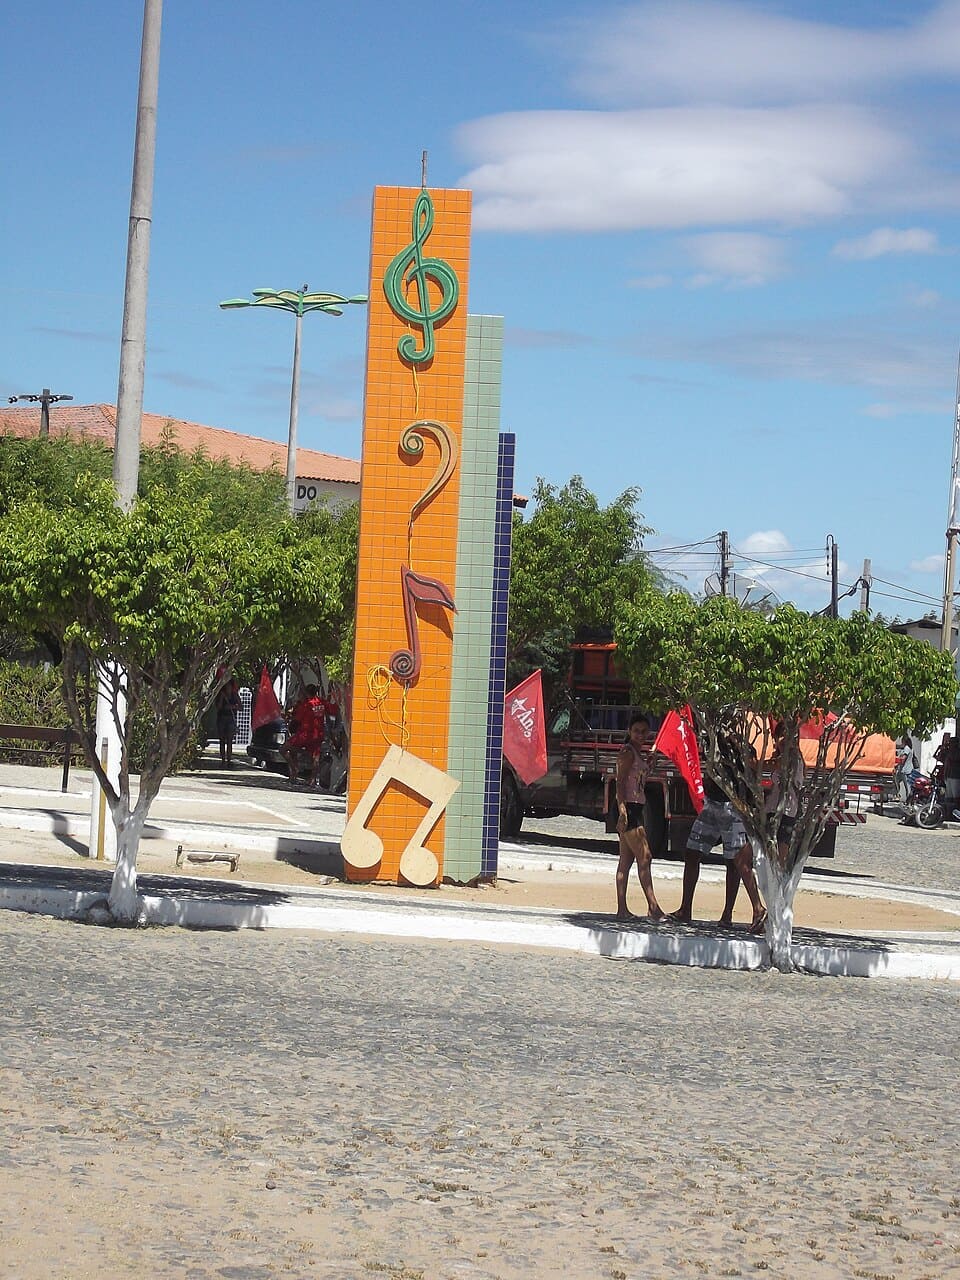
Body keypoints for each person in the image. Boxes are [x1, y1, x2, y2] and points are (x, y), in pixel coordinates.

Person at [667, 742, 766, 934]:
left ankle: (744, 910)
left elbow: (751, 772)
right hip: (713, 803)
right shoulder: (714, 740)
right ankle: (686, 908)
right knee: (692, 852)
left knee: (737, 861)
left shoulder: (738, 744)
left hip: (732, 805)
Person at [614, 715, 665, 922]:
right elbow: (620, 782)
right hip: (630, 809)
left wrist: (649, 762)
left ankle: (622, 909)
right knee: (645, 857)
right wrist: (622, 810)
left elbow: (638, 778)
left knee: (625, 861)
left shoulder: (637, 753)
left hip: (635, 806)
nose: (640, 735)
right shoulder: (627, 752)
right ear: (629, 731)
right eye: (636, 731)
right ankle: (653, 907)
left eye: (644, 731)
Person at [766, 722, 805, 864]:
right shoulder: (783, 756)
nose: (782, 740)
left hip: (785, 809)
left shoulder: (791, 758)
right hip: (776, 807)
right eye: (780, 736)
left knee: (780, 851)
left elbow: (768, 765)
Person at [281, 684, 325, 785]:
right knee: (316, 757)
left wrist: (287, 717)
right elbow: (333, 709)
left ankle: (295, 769)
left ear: (306, 693)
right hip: (318, 734)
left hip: (305, 734)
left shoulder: (306, 705)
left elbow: (296, 720)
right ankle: (312, 780)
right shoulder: (321, 702)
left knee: (283, 749)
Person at [214, 678, 242, 768]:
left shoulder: (235, 695)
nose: (228, 688)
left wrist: (233, 706)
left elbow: (241, 707)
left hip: (230, 719)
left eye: (229, 686)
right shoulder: (221, 695)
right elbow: (218, 707)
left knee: (229, 741)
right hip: (222, 718)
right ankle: (223, 761)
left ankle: (229, 760)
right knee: (222, 740)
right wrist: (222, 698)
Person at [933, 732, 960, 818]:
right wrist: (942, 747)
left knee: (955, 796)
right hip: (948, 776)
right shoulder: (948, 751)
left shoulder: (957, 752)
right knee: (948, 796)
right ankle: (948, 813)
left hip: (955, 776)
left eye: (952, 743)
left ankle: (954, 813)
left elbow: (953, 759)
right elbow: (938, 757)